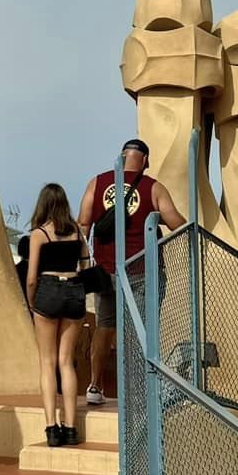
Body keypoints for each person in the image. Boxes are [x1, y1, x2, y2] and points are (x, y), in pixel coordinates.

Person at [78, 141, 183, 406]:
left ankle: (94, 385)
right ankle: (138, 393)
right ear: (144, 159)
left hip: (106, 271)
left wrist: (85, 262)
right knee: (140, 330)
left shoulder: (97, 184)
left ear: (122, 156)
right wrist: (155, 220)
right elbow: (177, 223)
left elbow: (83, 224)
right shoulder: (153, 188)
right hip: (142, 270)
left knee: (104, 327)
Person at [24, 183, 87, 446]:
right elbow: (85, 266)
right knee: (66, 362)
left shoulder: (39, 234)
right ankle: (71, 428)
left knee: (47, 362)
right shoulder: (77, 232)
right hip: (74, 291)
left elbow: (31, 278)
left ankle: (52, 427)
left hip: (48, 290)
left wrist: (32, 303)